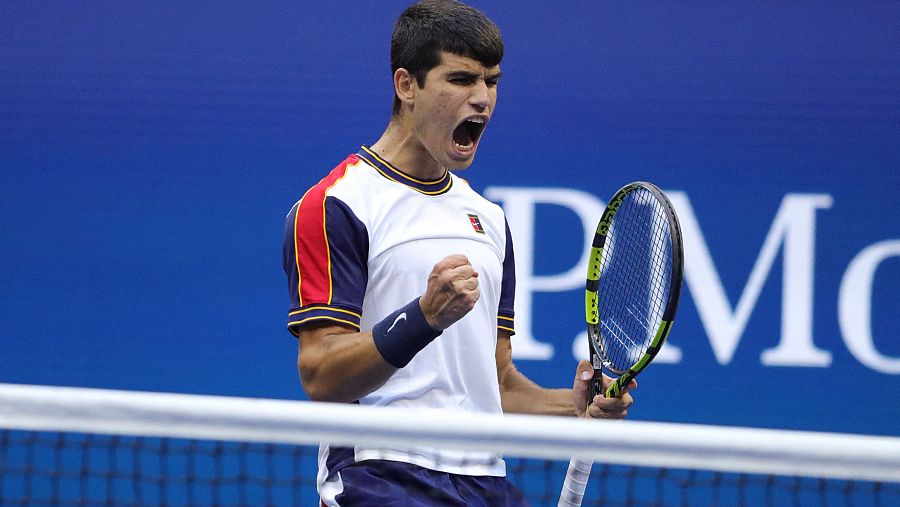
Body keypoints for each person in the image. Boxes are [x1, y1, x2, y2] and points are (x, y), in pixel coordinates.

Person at [283, 1, 635, 505]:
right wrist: (423, 318)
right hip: (381, 477)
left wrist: (573, 408)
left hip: (484, 483)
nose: (482, 98)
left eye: (491, 81)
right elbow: (320, 374)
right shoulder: (336, 205)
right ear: (407, 85)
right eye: (461, 79)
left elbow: (497, 384)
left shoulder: (488, 219)